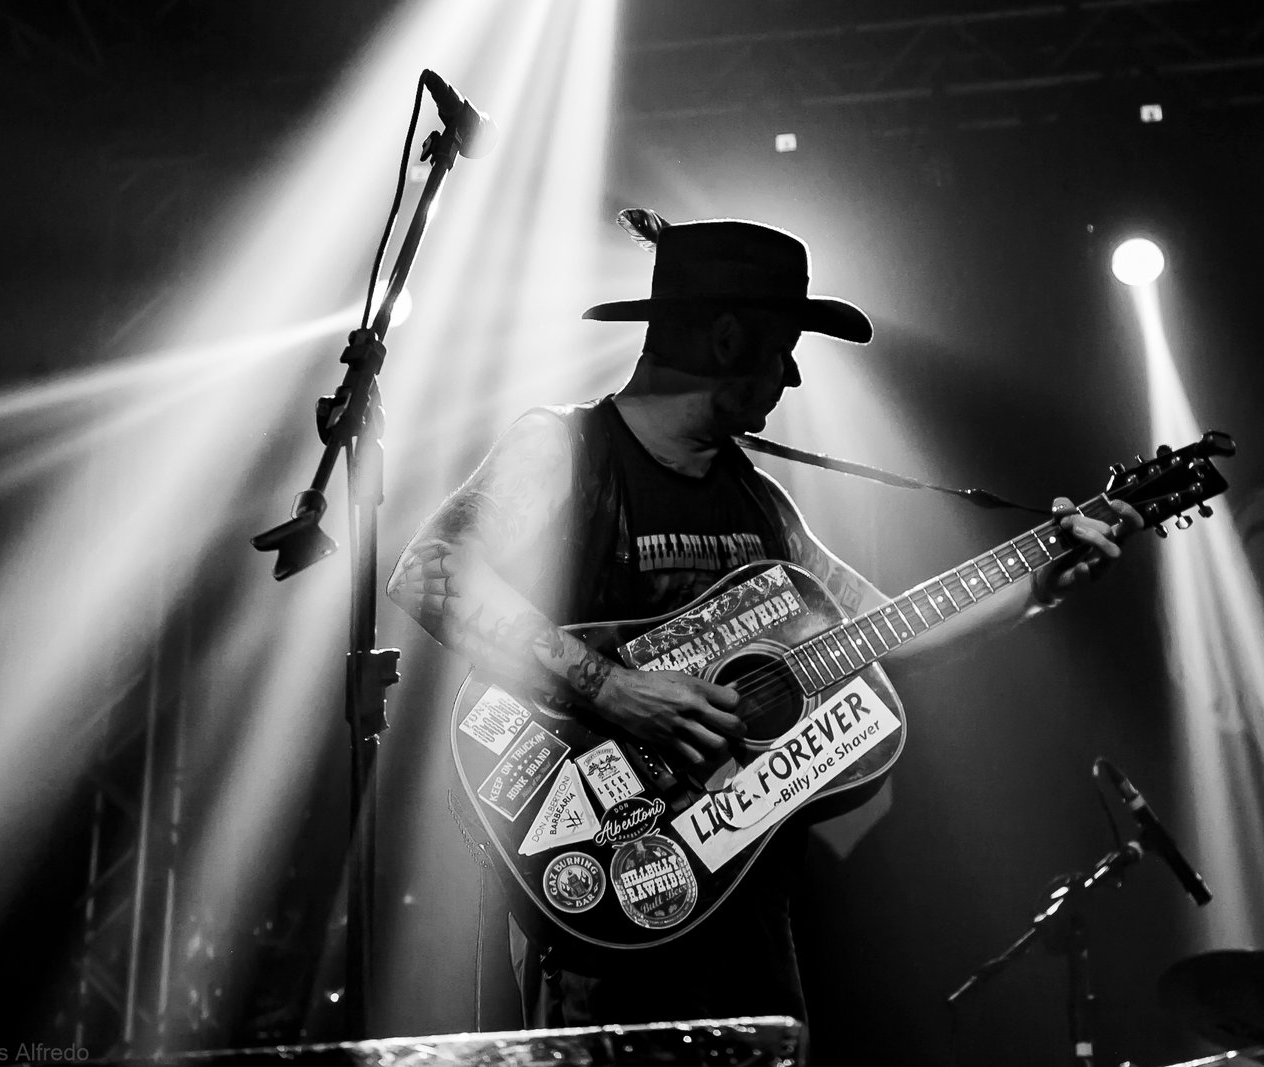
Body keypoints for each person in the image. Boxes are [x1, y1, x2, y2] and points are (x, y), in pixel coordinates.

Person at [386, 216, 1140, 1027]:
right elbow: (432, 570)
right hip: (590, 878)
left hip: (740, 899)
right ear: (727, 339)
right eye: (784, 350)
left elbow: (888, 631)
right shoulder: (567, 446)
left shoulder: (762, 504)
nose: (790, 378)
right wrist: (616, 689)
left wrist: (1037, 584)